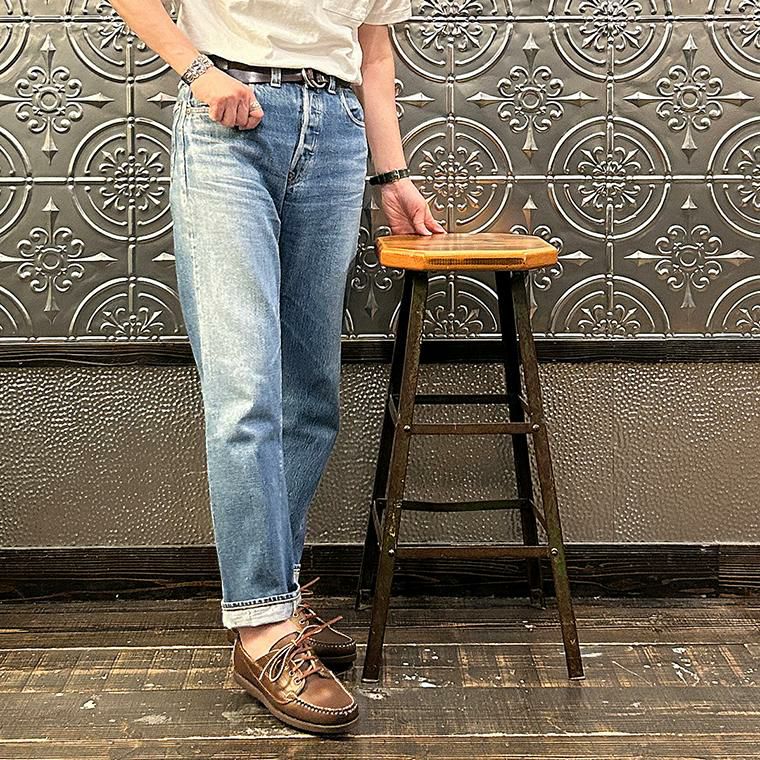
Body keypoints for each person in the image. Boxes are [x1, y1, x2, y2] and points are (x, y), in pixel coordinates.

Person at [111, 0, 446, 735]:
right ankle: (263, 629)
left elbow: (374, 48)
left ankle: (279, 600)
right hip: (231, 125)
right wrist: (198, 73)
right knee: (245, 391)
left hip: (337, 131)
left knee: (309, 399)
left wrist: (391, 173)